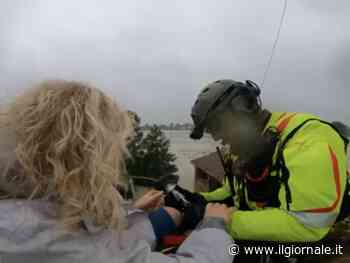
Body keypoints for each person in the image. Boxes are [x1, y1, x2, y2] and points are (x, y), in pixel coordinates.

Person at [0, 80, 234, 263]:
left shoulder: (22, 202)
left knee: (171, 213)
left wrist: (129, 212)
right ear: (84, 158)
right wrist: (214, 226)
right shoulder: (52, 242)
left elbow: (89, 238)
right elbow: (95, 251)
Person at [181, 79, 350, 243]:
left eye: (216, 126)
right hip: (271, 227)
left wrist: (218, 222)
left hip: (322, 240)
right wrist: (197, 200)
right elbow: (232, 191)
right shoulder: (242, 146)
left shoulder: (309, 142)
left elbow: (308, 224)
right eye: (211, 131)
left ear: (242, 109)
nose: (217, 137)